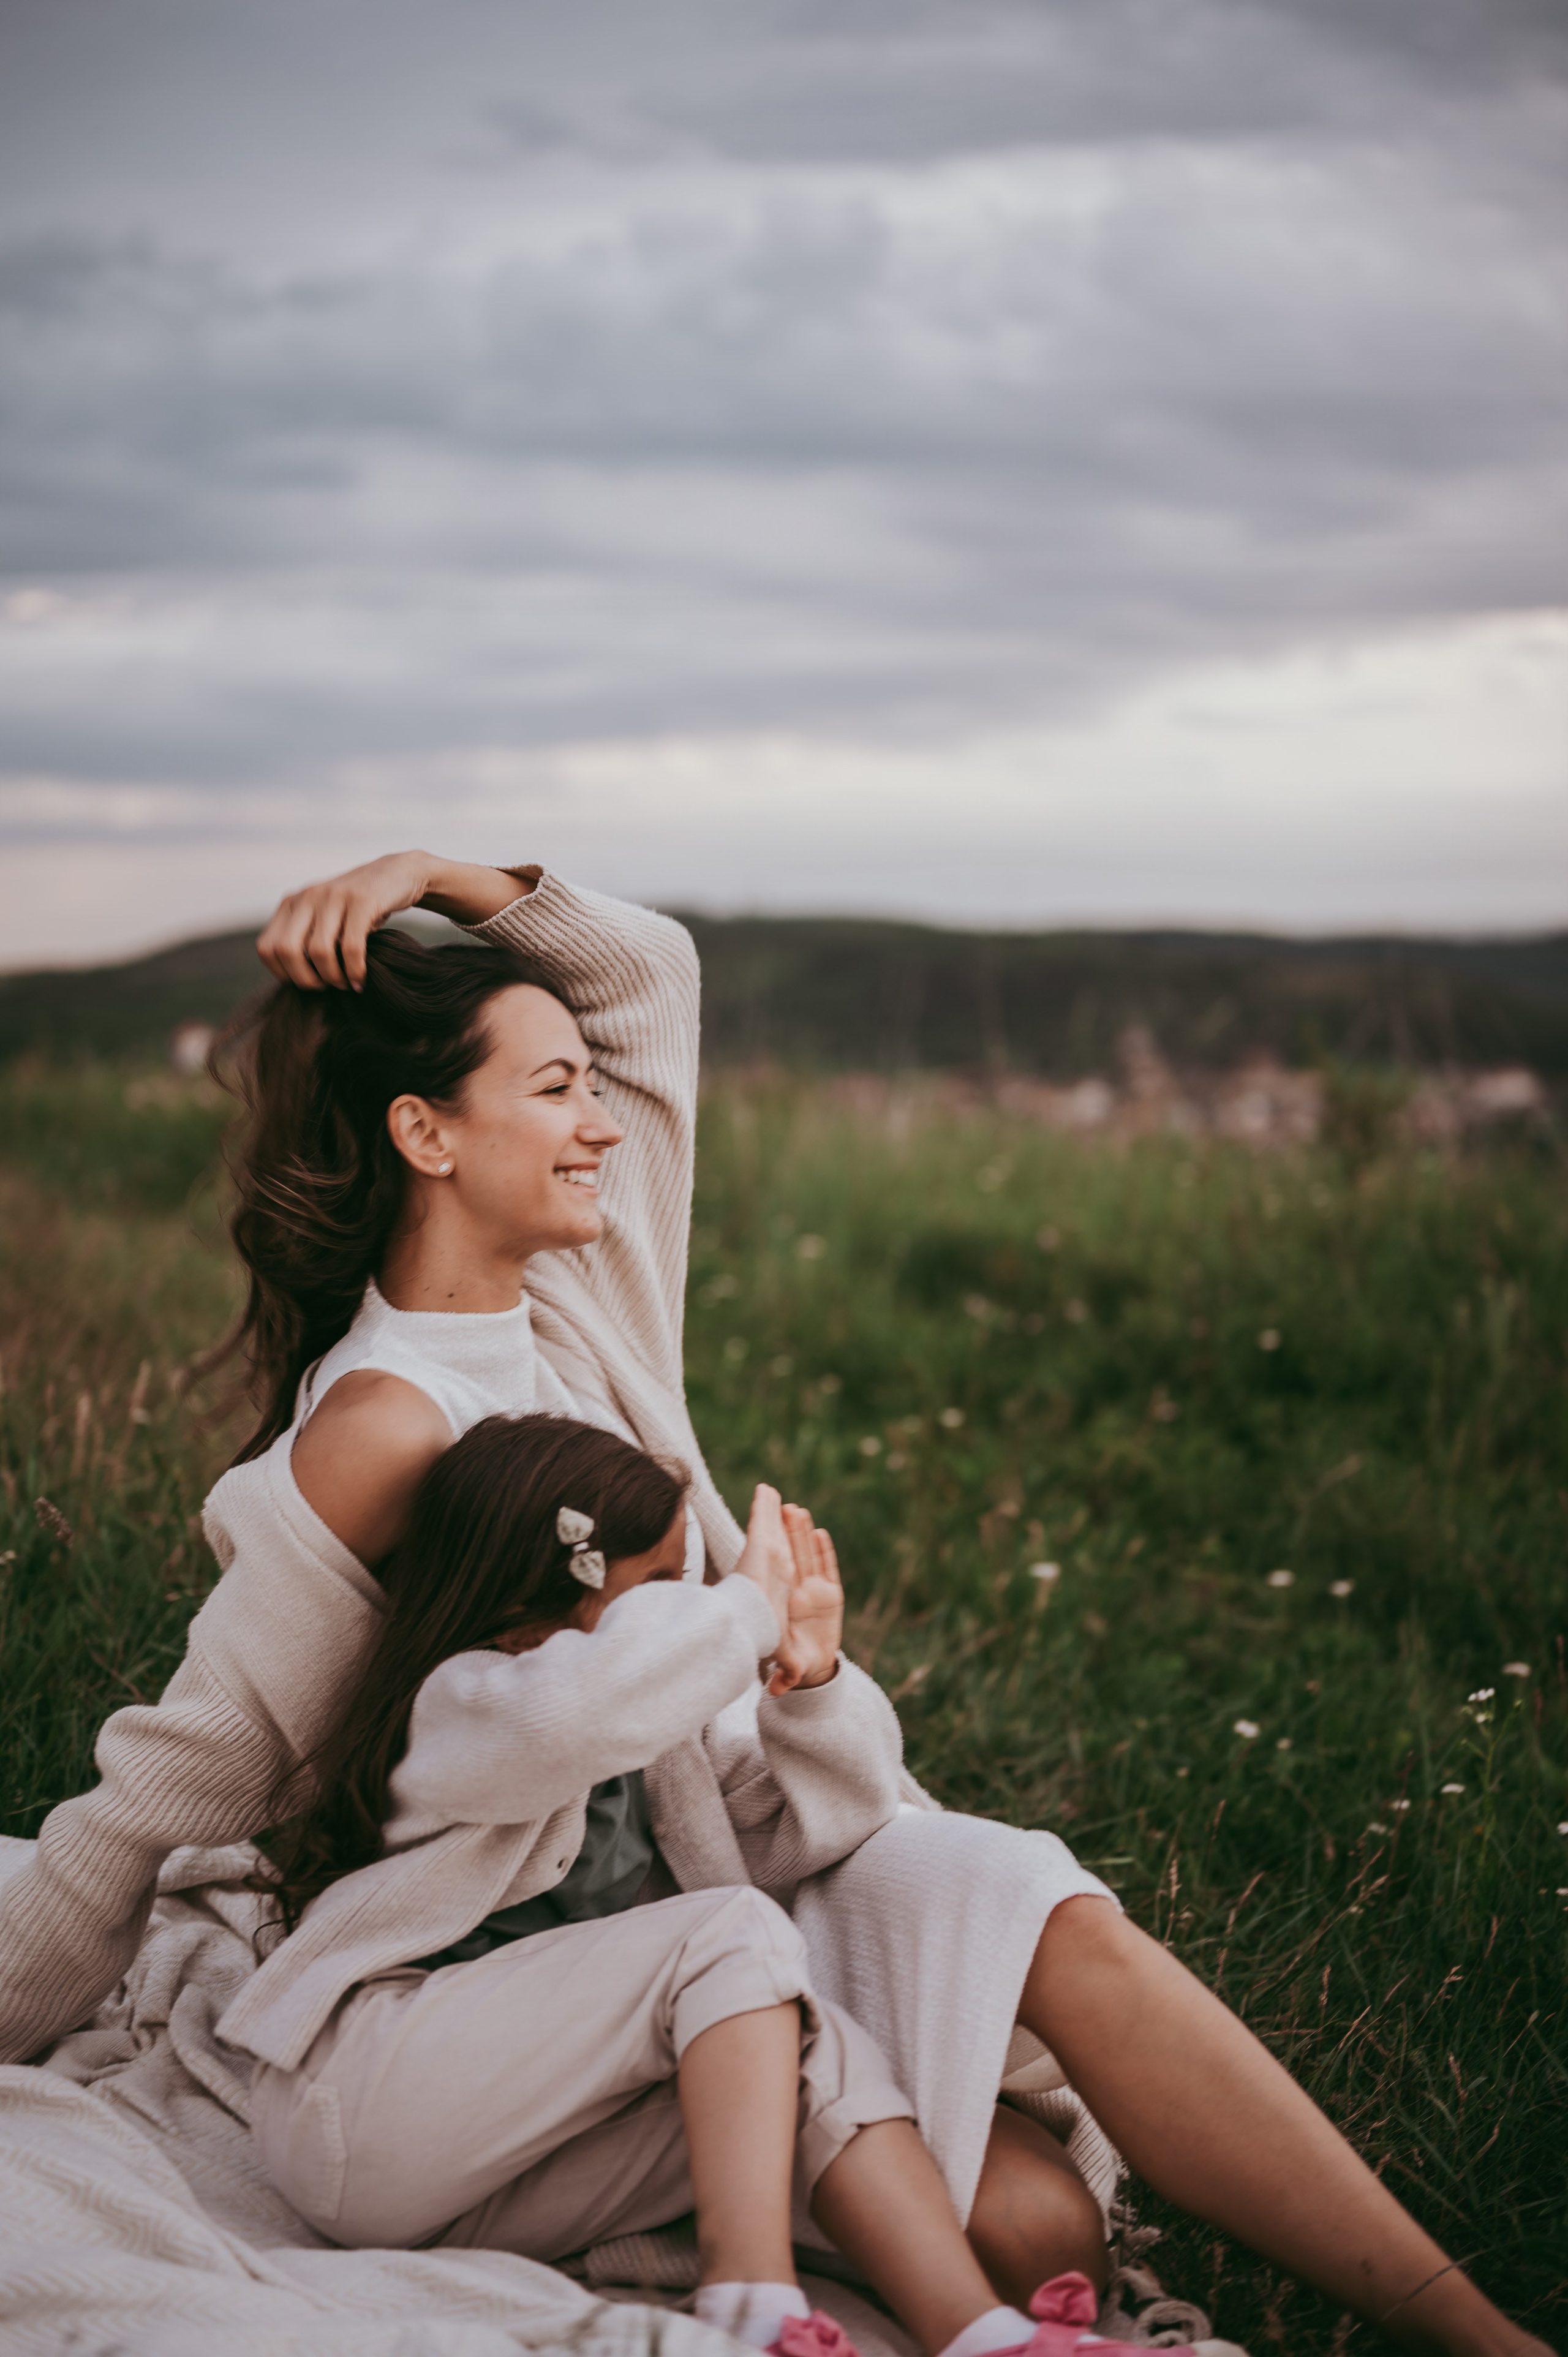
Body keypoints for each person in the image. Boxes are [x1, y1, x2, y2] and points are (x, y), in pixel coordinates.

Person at [0, 851, 1547, 2357]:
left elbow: (646, 975)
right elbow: (168, 1785)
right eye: (552, 1091)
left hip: (741, 1859)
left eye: (584, 1084)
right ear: (425, 1130)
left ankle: (1481, 2337)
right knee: (1031, 2233)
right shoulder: (374, 1437)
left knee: (1037, 1897)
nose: (600, 1120)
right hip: (540, 1981)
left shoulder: (585, 1282)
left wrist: (440, 872)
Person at [229, 1406, 1235, 2357]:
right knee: (730, 1933)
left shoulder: (661, 1746)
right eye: (665, 1584)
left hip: (498, 2175)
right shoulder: (468, 1704)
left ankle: (977, 2333)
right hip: (364, 2111)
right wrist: (743, 1608)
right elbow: (579, 1715)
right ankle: (748, 2297)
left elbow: (829, 1820)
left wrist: (815, 1681)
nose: (699, 1610)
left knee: (808, 2045)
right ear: (528, 1605)